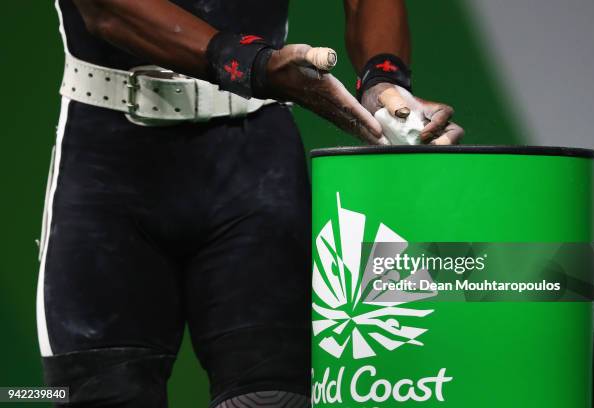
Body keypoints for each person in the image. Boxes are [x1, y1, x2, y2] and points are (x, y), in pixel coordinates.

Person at [37, 0, 464, 407]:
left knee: (272, 397)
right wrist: (250, 62)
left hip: (255, 168)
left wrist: (383, 79)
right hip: (107, 167)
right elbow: (104, 10)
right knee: (100, 395)